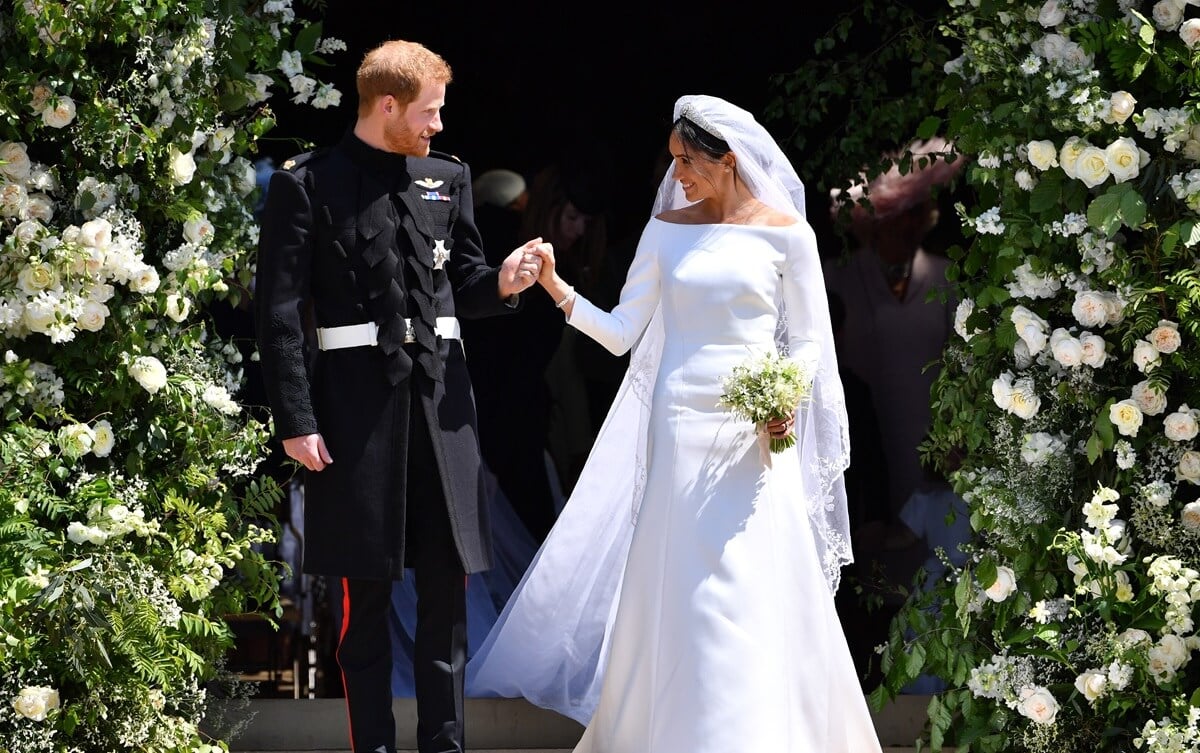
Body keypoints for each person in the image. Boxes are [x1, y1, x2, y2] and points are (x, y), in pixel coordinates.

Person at [466, 95, 882, 752]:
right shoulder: (664, 229)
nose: (678, 174)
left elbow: (807, 342)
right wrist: (556, 287)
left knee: (749, 579)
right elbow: (622, 334)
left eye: (687, 161)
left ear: (729, 159)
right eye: (674, 161)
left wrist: (783, 395)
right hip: (678, 426)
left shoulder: (788, 235)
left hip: (751, 431)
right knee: (683, 586)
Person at [254, 39, 546, 753]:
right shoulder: (308, 185)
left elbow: (467, 284)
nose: (438, 126)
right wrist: (296, 418)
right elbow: (280, 312)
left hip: (444, 419)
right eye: (428, 112)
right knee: (366, 612)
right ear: (386, 106)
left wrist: (503, 282)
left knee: (448, 608)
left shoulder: (448, 177)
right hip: (356, 422)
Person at [824, 136, 964, 525]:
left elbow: (964, 363)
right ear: (873, 222)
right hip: (861, 442)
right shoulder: (836, 277)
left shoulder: (946, 278)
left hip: (932, 444)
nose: (902, 226)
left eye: (912, 214)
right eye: (893, 217)